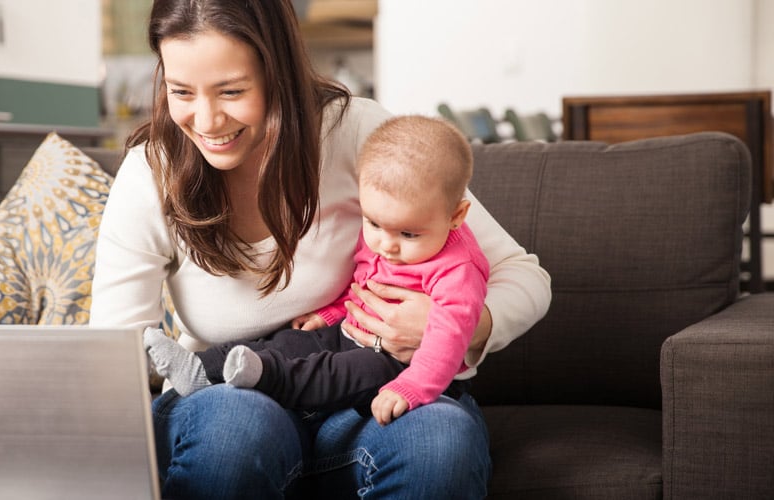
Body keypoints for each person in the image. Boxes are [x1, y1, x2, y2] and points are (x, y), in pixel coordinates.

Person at [90, 0, 551, 497]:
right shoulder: (151, 172)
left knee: (438, 442)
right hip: (230, 402)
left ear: (278, 73)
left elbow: (522, 275)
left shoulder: (356, 131)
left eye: (232, 91)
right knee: (232, 433)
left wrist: (459, 326)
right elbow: (117, 354)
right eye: (181, 91)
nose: (206, 120)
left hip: (366, 400)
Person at [141, 115, 489, 428]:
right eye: (374, 224)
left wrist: (413, 387)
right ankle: (202, 368)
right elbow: (364, 284)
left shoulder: (458, 268)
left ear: (456, 216)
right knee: (288, 341)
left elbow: (450, 338)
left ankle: (264, 378)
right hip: (351, 331)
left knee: (346, 372)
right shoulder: (388, 230)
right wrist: (333, 312)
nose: (387, 245)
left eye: (408, 234)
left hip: (405, 366)